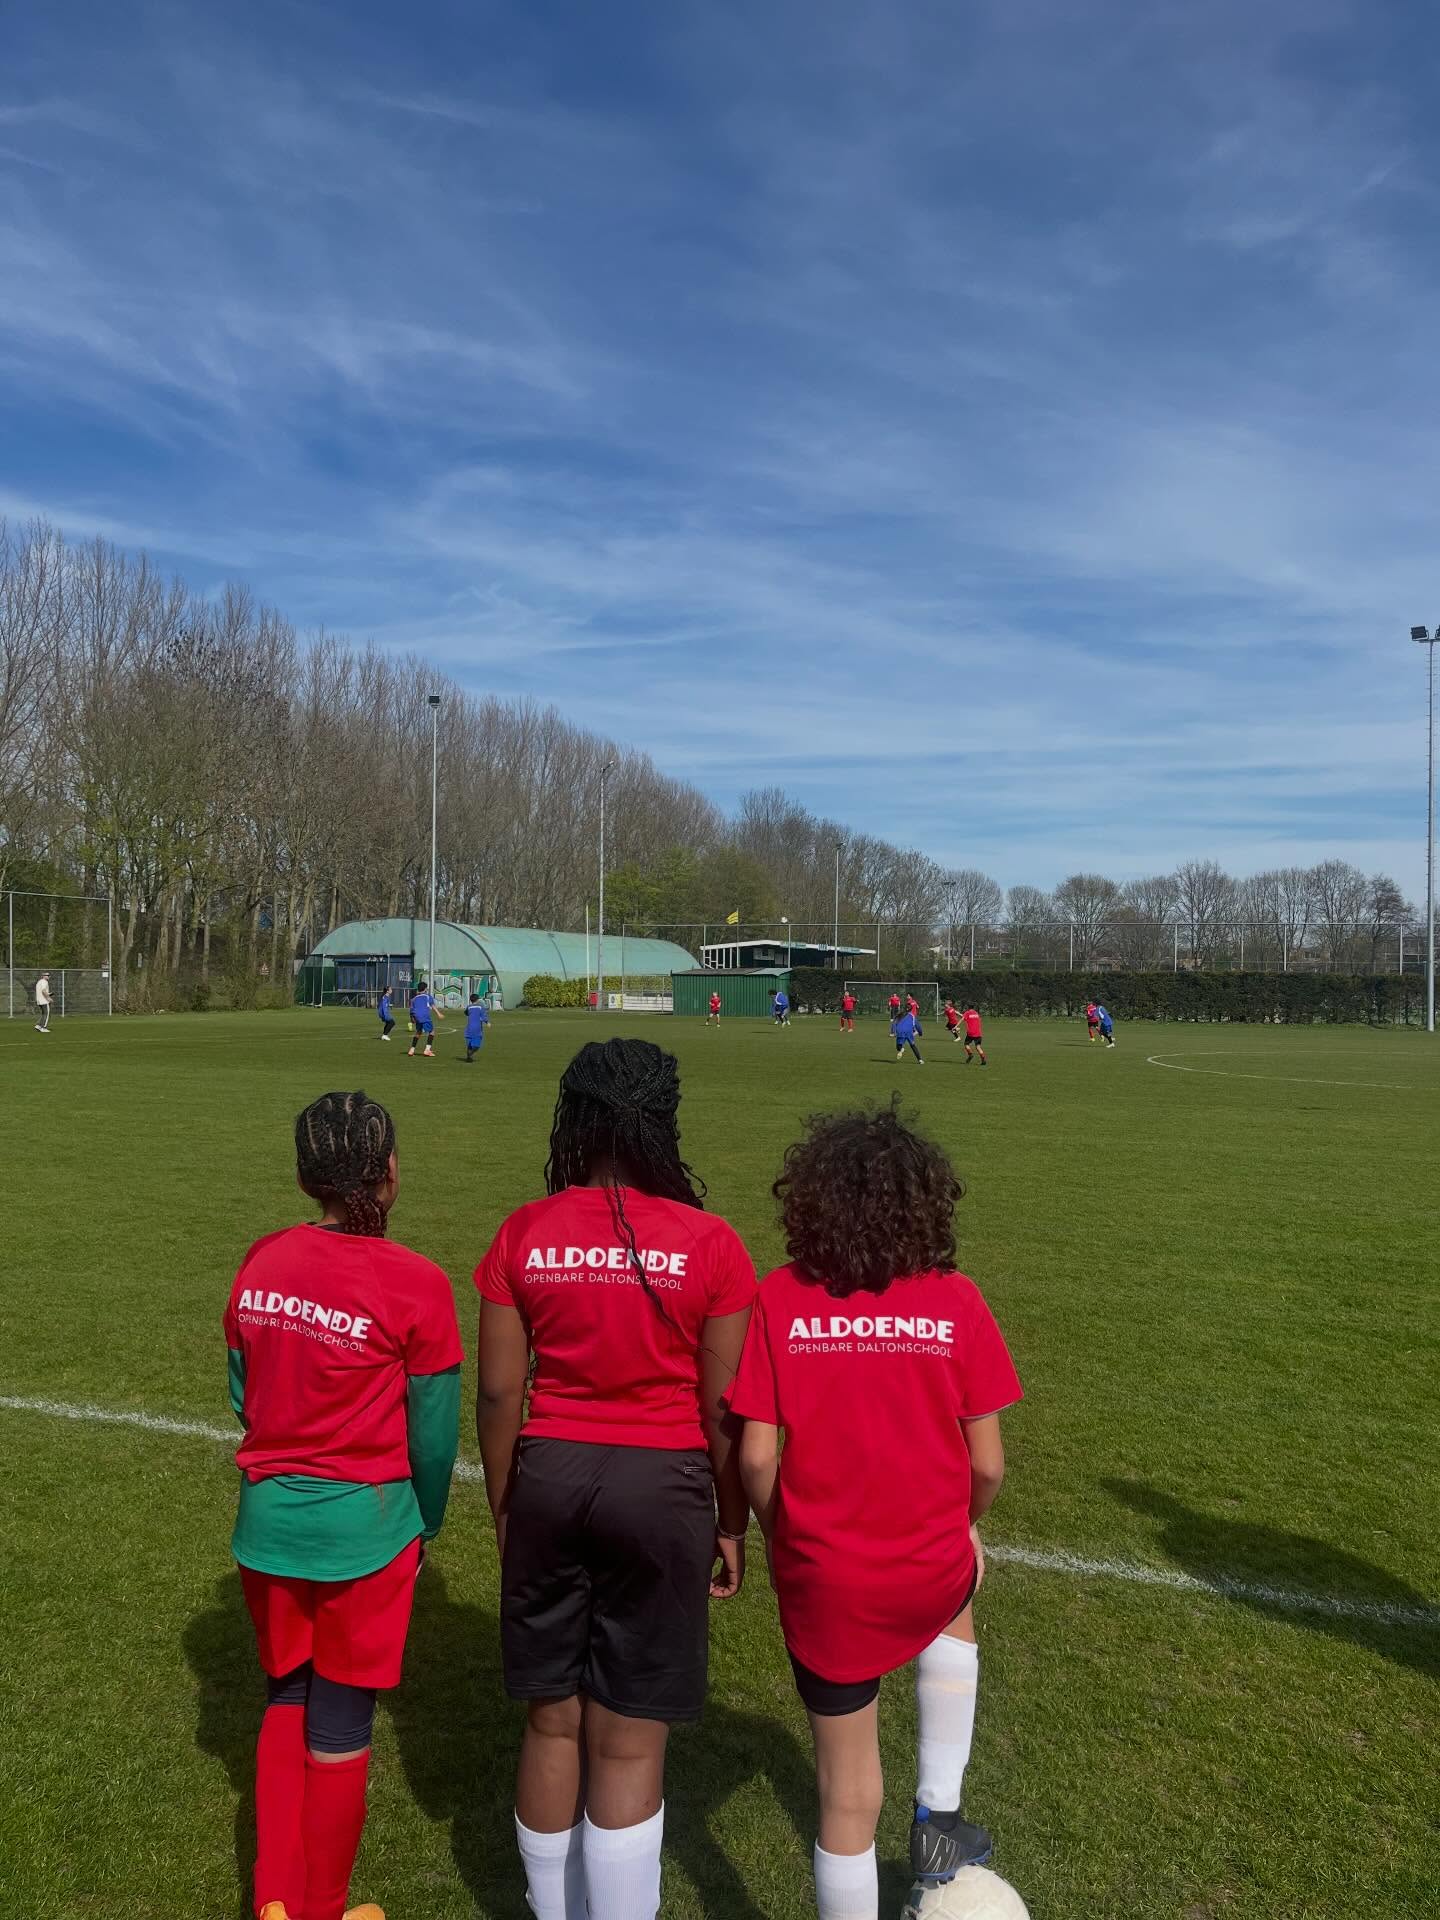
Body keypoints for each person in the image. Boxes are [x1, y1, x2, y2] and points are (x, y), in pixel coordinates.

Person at [475, 1038, 756, 1920]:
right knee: (630, 1745)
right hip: (664, 1488)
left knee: (553, 1720)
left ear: (576, 1120)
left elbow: (496, 1391)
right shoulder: (712, 1243)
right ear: (663, 1122)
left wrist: (504, 1504)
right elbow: (724, 1412)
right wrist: (731, 1518)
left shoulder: (522, 1229)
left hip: (549, 1479)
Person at [731, 1102, 1022, 1920]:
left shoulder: (780, 1297)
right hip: (929, 1562)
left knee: (847, 1798)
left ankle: (917, 1830)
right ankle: (938, 1815)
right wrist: (965, 1524)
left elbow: (756, 1456)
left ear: (810, 1201)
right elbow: (989, 1464)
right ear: (924, 1203)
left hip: (825, 1573)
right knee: (954, 1603)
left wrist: (784, 1533)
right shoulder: (956, 1300)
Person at [223, 1090, 463, 1920]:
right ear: (390, 1173)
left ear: (304, 1178)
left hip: (268, 1527)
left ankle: (273, 1903)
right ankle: (322, 1909)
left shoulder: (261, 1261)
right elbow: (434, 1440)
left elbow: (241, 1390)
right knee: (340, 1718)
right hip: (367, 1534)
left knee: (284, 1694)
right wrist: (425, 1521)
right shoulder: (419, 1284)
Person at [407, 982, 437, 1058]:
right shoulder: (427, 996)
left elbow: (411, 1010)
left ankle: (412, 1049)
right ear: (425, 989)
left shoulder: (413, 999)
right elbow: (432, 1005)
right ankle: (427, 1050)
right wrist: (438, 1013)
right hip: (425, 1017)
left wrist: (412, 1019)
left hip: (417, 1017)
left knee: (418, 1032)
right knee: (432, 1032)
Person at [464, 993, 489, 1063]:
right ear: (477, 1000)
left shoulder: (469, 1007)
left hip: (469, 1029)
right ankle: (470, 1054)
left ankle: (469, 1058)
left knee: (469, 1045)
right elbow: (484, 1016)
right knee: (477, 1046)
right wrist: (487, 1022)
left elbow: (466, 1013)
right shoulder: (480, 1007)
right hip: (477, 1029)